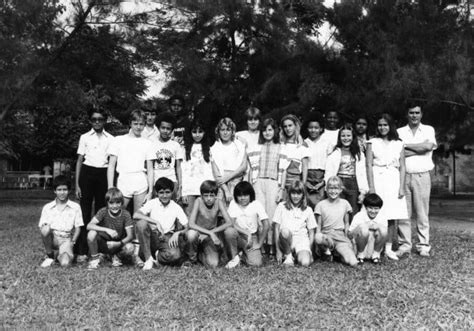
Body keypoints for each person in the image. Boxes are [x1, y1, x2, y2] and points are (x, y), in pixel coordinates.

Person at [366, 113, 408, 261]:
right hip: (377, 178)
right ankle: (374, 247)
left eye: (385, 125)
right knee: (375, 213)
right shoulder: (372, 142)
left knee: (391, 216)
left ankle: (388, 249)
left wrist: (401, 187)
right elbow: (368, 165)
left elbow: (403, 166)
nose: (382, 127)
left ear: (390, 126)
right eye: (380, 125)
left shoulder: (399, 143)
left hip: (393, 179)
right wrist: (371, 187)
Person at [397, 105, 437, 257]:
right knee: (404, 213)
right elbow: (399, 154)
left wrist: (405, 146)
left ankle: (423, 245)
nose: (414, 116)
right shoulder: (400, 132)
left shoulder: (428, 129)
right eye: (411, 113)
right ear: (407, 114)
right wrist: (419, 148)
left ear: (421, 114)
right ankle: (405, 245)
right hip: (404, 175)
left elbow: (427, 147)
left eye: (417, 113)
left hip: (422, 175)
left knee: (422, 212)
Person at [75, 106, 113, 262]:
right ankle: (82, 250)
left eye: (100, 119)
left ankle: (98, 249)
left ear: (105, 121)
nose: (97, 122)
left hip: (103, 174)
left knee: (100, 212)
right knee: (84, 212)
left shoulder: (110, 138)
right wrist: (77, 184)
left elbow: (111, 162)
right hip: (87, 173)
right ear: (90, 120)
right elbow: (79, 161)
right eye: (94, 119)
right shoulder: (85, 137)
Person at [247, 117, 289, 256]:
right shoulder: (257, 147)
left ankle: (271, 246)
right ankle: (260, 243)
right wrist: (251, 186)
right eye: (264, 130)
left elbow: (283, 170)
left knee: (271, 214)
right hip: (258, 181)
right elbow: (251, 169)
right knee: (259, 214)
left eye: (270, 130)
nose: (267, 133)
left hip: (273, 183)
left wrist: (281, 189)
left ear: (275, 131)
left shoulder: (281, 147)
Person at [134, 177, 189, 270]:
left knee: (175, 255)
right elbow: (136, 215)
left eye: (167, 192)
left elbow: (187, 226)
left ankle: (156, 257)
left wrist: (177, 233)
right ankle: (148, 259)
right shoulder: (152, 203)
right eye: (161, 193)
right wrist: (156, 222)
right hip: (151, 236)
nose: (164, 196)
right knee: (141, 223)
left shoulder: (176, 207)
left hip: (166, 237)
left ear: (172, 192)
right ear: (156, 193)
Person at [107, 109, 154, 214]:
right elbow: (111, 166)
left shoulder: (148, 143)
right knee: (118, 215)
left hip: (140, 181)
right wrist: (110, 186)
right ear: (130, 123)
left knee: (140, 218)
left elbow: (150, 169)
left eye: (141, 124)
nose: (138, 127)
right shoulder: (118, 140)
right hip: (123, 180)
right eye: (135, 123)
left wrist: (150, 190)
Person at [185, 180, 235, 268]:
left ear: (216, 196)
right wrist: (210, 233)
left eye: (211, 196)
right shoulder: (198, 201)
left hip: (209, 236)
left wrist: (211, 232)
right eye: (206, 196)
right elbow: (191, 224)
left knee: (213, 263)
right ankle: (191, 259)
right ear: (201, 195)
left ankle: (201, 254)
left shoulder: (218, 202)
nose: (209, 198)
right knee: (191, 234)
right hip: (198, 233)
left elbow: (229, 222)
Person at [39, 175, 83, 268]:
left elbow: (78, 228)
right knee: (45, 228)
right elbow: (43, 229)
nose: (62, 193)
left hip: (66, 239)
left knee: (65, 264)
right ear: (55, 191)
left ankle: (60, 254)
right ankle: (50, 254)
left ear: (69, 190)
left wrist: (73, 242)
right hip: (53, 237)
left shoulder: (75, 207)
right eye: (59, 190)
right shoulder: (47, 207)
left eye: (65, 189)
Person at [325, 124, 368, 216]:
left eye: (348, 135)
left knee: (353, 210)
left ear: (353, 137)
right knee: (338, 209)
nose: (346, 138)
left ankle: (351, 230)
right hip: (339, 182)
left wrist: (363, 191)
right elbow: (329, 172)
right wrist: (328, 187)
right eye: (343, 136)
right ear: (339, 137)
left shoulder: (358, 153)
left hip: (353, 183)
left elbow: (362, 173)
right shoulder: (335, 152)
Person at [314, 176, 358, 267]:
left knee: (352, 262)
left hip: (340, 236)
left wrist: (348, 239)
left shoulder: (345, 203)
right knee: (318, 237)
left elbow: (346, 223)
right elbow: (318, 225)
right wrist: (316, 244)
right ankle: (326, 251)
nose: (333, 191)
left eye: (336, 188)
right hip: (327, 235)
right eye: (330, 188)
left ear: (341, 189)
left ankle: (337, 253)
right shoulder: (320, 205)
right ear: (326, 189)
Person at [86, 188, 135, 269]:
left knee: (130, 248)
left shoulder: (125, 214)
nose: (115, 206)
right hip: (105, 242)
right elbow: (89, 225)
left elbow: (130, 236)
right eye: (111, 203)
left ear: (122, 202)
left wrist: (118, 244)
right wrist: (106, 229)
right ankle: (95, 259)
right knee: (91, 233)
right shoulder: (103, 211)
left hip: (119, 243)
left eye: (118, 202)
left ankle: (116, 256)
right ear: (107, 203)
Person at [273, 181, 316, 267]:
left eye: (299, 193)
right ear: (289, 194)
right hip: (286, 239)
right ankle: (288, 255)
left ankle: (298, 255)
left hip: (301, 240)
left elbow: (311, 233)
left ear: (303, 195)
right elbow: (276, 229)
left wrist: (309, 249)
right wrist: (278, 250)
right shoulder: (281, 206)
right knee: (285, 231)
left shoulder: (308, 209)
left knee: (305, 263)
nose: (296, 196)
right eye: (293, 193)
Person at [226, 181, 269, 268]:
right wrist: (246, 232)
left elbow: (266, 224)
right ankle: (234, 257)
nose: (242, 198)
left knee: (256, 264)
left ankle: (242, 256)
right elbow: (231, 223)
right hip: (237, 234)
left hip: (251, 238)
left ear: (250, 195)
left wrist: (260, 243)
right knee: (229, 231)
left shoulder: (256, 204)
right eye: (239, 195)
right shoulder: (233, 203)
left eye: (245, 195)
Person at [181, 118, 214, 216]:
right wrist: (184, 192)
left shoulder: (210, 148)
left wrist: (211, 189)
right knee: (189, 217)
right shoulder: (185, 149)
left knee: (204, 217)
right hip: (190, 189)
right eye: (194, 132)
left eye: (200, 131)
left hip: (205, 189)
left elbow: (211, 170)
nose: (197, 134)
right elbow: (184, 171)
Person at [210, 117, 247, 203]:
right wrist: (226, 190)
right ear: (218, 131)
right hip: (222, 184)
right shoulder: (214, 148)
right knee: (220, 207)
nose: (225, 132)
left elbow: (243, 166)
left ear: (232, 131)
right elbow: (216, 174)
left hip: (236, 180)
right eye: (222, 130)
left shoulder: (239, 145)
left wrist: (228, 177)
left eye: (228, 130)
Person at [302, 112, 333, 209]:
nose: (313, 130)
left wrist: (323, 182)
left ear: (321, 129)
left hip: (322, 178)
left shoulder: (327, 143)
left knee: (321, 206)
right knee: (307, 206)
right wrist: (305, 182)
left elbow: (330, 164)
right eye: (310, 127)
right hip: (307, 177)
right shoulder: (304, 143)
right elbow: (301, 164)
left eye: (316, 128)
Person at [150, 112, 183, 199]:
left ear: (172, 130)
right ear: (158, 128)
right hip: (157, 182)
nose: (165, 131)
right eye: (163, 128)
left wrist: (180, 185)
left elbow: (178, 167)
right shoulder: (152, 144)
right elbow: (150, 168)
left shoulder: (175, 145)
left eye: (168, 129)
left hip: (172, 182)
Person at [348, 193, 387, 264]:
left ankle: (376, 255)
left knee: (383, 229)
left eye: (376, 208)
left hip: (372, 245)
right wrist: (361, 227)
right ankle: (360, 255)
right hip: (359, 245)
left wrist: (377, 226)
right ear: (366, 208)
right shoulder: (359, 216)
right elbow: (350, 234)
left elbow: (384, 235)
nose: (373, 211)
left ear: (380, 208)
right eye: (370, 208)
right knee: (363, 228)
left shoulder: (382, 217)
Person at [280, 114, 310, 191]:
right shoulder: (281, 144)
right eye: (285, 126)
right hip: (280, 181)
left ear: (295, 126)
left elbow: (305, 167)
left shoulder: (302, 145)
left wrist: (303, 184)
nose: (288, 128)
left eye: (290, 125)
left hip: (295, 182)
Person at [236, 106, 262, 181]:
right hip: (245, 174)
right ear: (246, 121)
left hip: (260, 174)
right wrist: (238, 138)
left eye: (255, 119)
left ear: (259, 121)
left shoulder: (263, 135)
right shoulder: (240, 134)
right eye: (250, 119)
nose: (253, 122)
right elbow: (224, 136)